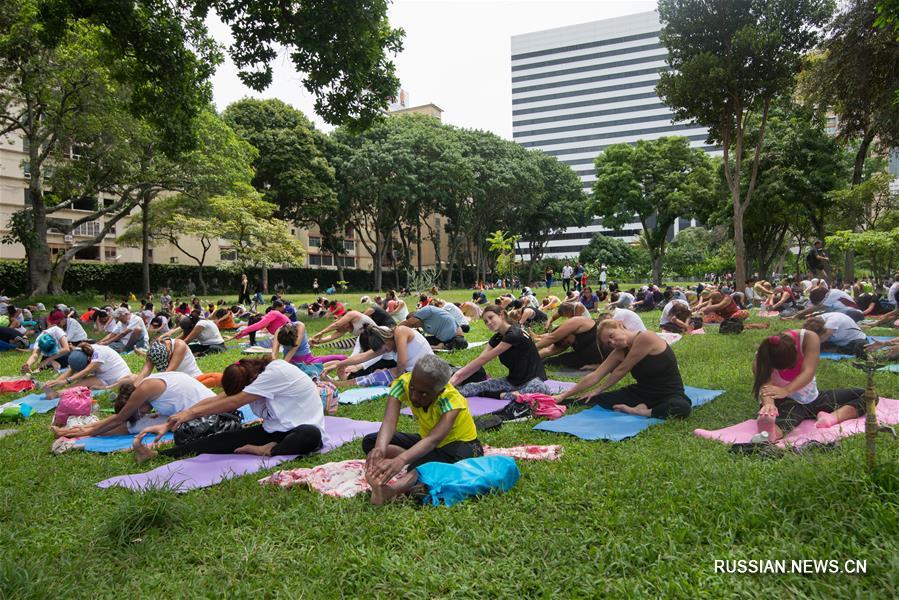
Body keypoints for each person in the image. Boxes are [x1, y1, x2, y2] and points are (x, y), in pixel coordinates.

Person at [133, 357, 326, 462]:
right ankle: (158, 456)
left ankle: (268, 451)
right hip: (275, 430)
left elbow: (233, 403)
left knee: (311, 435)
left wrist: (189, 414)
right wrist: (171, 422)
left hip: (299, 431)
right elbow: (219, 398)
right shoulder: (252, 377)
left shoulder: (276, 372)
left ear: (249, 382)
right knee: (219, 440)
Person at [361, 355, 481, 505]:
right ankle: (415, 460)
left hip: (460, 445)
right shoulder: (402, 383)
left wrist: (401, 460)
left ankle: (392, 490)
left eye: (423, 393)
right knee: (372, 442)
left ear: (439, 391)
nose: (414, 396)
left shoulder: (451, 399)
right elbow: (389, 422)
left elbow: (434, 439)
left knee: (423, 468)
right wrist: (379, 449)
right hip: (427, 442)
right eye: (412, 388)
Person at [553, 320, 691, 419]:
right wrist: (562, 396)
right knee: (595, 399)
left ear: (620, 325)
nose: (613, 343)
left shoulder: (645, 337)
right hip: (641, 393)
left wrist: (598, 389)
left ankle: (642, 412)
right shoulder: (620, 351)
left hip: (668, 393)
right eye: (608, 343)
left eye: (612, 336)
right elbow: (596, 375)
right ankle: (553, 403)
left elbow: (622, 370)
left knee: (681, 407)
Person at [752, 331, 866, 443]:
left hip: (813, 398)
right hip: (789, 402)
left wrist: (786, 389)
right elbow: (765, 385)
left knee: (867, 395)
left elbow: (809, 372)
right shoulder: (763, 356)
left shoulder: (809, 338)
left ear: (796, 350)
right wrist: (769, 405)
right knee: (785, 422)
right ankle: (771, 432)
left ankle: (832, 417)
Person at [51, 371, 216, 439]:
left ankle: (79, 432)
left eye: (138, 411)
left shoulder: (145, 389)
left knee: (136, 424)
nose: (142, 413)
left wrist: (89, 432)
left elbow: (120, 419)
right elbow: (120, 417)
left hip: (208, 414)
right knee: (136, 421)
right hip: (201, 408)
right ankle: (81, 430)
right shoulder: (145, 386)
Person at [449, 305, 549, 402]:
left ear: (501, 315)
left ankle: (501, 395)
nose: (489, 322)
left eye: (491, 317)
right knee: (473, 386)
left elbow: (483, 360)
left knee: (536, 390)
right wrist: (452, 382)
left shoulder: (514, 334)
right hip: (513, 381)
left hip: (533, 381)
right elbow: (479, 361)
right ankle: (447, 392)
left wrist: (457, 376)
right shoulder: (497, 338)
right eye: (486, 321)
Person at [324, 324, 433, 387]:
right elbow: (363, 356)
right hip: (413, 371)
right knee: (374, 376)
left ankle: (338, 384)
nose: (387, 350)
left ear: (385, 338)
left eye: (385, 348)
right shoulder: (388, 342)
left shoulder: (401, 331)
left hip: (427, 370)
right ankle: (338, 384)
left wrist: (397, 380)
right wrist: (339, 365)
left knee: (378, 375)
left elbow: (402, 362)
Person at [41, 342, 133, 395]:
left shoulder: (99, 353)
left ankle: (106, 388)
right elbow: (71, 370)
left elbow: (87, 370)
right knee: (75, 386)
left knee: (129, 380)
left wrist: (65, 381)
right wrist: (55, 382)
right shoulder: (81, 352)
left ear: (88, 360)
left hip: (119, 377)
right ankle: (56, 394)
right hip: (102, 378)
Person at [535, 315, 604, 370]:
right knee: (550, 361)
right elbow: (549, 350)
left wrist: (532, 347)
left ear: (564, 334)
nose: (570, 343)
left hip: (606, 353)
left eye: (567, 342)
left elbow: (553, 337)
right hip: (585, 359)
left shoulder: (578, 322)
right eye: (568, 344)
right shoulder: (566, 340)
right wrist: (531, 356)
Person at [272, 322, 345, 367]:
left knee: (341, 358)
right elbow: (274, 353)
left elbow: (293, 349)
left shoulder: (300, 326)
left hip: (306, 359)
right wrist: (274, 365)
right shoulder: (279, 331)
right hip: (290, 361)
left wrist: (283, 365)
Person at [133, 338, 203, 385]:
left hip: (194, 380)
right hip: (175, 382)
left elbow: (167, 374)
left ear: (169, 352)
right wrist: (132, 390)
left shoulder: (179, 345)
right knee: (132, 379)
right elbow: (144, 374)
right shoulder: (154, 351)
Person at [399, 305, 467, 350]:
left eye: (413, 323)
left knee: (461, 343)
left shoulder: (427, 310)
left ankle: (442, 346)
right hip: (441, 340)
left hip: (455, 336)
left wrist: (396, 329)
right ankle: (443, 345)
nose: (413, 325)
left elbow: (407, 323)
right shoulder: (424, 326)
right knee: (422, 341)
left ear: (417, 316)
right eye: (413, 326)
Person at [802, 314, 867, 356]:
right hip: (836, 341)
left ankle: (837, 349)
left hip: (853, 340)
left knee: (861, 348)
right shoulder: (815, 321)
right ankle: (835, 349)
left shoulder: (831, 324)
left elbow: (819, 340)